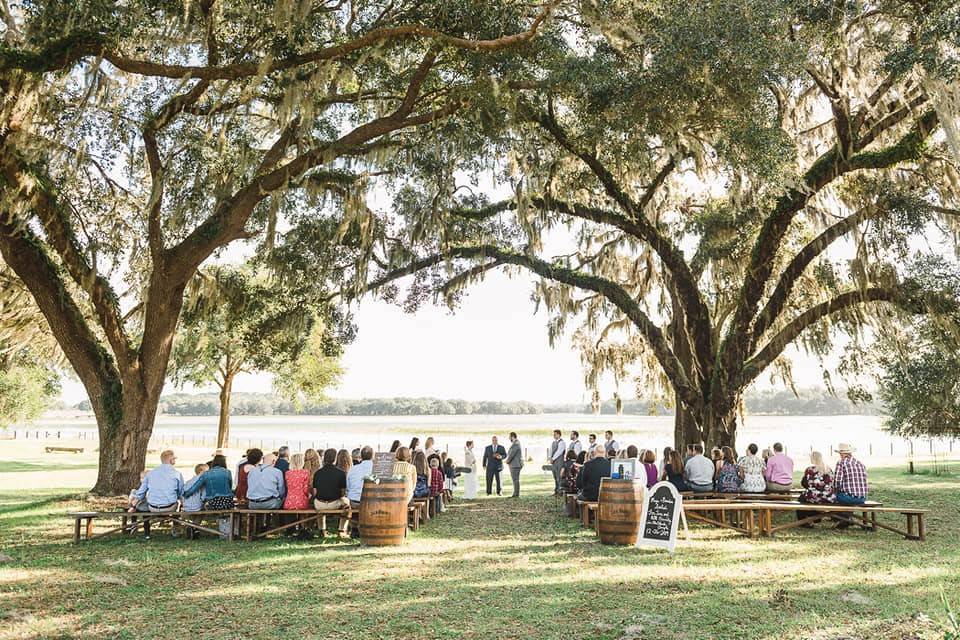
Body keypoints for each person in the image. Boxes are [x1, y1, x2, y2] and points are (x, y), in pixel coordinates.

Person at [312, 448, 349, 536]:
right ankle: (341, 530)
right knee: (347, 505)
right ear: (335, 459)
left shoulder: (317, 473)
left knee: (318, 503)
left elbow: (314, 492)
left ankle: (322, 530)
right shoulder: (341, 473)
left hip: (319, 504)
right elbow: (342, 493)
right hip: (334, 503)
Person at [833, 443, 868, 528]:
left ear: (841, 454)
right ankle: (847, 518)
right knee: (845, 496)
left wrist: (834, 490)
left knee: (834, 496)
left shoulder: (841, 463)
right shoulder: (860, 464)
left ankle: (843, 519)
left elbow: (837, 482)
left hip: (848, 498)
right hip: (862, 498)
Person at [798, 451, 835, 525]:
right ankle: (816, 517)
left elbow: (804, 483)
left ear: (813, 459)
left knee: (801, 499)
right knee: (809, 497)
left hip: (814, 496)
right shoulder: (828, 469)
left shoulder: (810, 469)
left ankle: (804, 521)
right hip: (829, 497)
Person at [505, 432, 524, 498]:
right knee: (515, 480)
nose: (509, 438)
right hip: (514, 464)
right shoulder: (515, 443)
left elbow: (512, 454)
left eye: (509, 437)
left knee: (515, 480)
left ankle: (516, 494)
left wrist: (507, 461)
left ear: (512, 436)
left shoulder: (516, 444)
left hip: (515, 465)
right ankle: (515, 493)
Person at [548, 429, 565, 495]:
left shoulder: (562, 442)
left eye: (555, 434)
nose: (554, 436)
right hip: (553, 462)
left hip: (559, 461)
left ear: (558, 434)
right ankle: (556, 490)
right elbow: (550, 450)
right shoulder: (553, 442)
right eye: (554, 434)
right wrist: (550, 458)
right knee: (555, 476)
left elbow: (559, 452)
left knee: (559, 477)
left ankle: (560, 491)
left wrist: (553, 458)